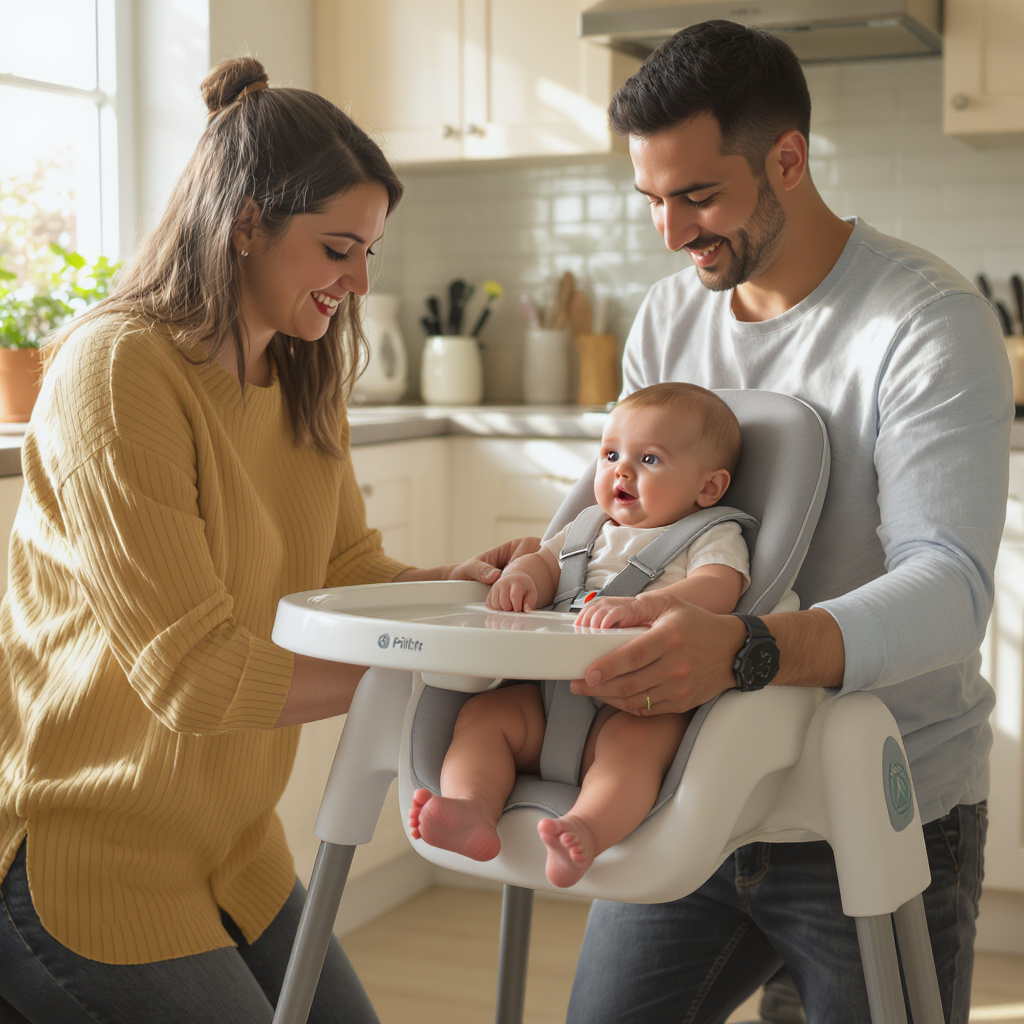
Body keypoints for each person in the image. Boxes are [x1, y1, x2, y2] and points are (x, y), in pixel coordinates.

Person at [0, 57, 527, 1024]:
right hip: (84, 856)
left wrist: (455, 588)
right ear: (246, 224)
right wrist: (427, 665)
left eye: (368, 251)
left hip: (231, 849)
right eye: (338, 249)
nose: (360, 281)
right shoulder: (117, 371)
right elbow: (190, 675)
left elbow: (344, 572)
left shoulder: (295, 372)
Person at [561, 20, 1013, 1024]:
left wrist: (745, 651)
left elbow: (949, 586)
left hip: (876, 797)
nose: (672, 234)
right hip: (689, 788)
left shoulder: (924, 321)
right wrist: (549, 557)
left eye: (698, 196)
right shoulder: (669, 320)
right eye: (652, 201)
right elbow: (627, 522)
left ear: (788, 160)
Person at [409, 382, 750, 888]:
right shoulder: (587, 527)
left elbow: (721, 588)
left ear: (709, 488)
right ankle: (471, 808)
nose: (622, 470)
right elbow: (545, 561)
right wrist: (521, 578)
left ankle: (586, 831)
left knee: (635, 751)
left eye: (650, 459)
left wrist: (648, 606)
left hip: (638, 700)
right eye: (611, 454)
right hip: (544, 700)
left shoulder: (712, 534)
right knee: (484, 717)